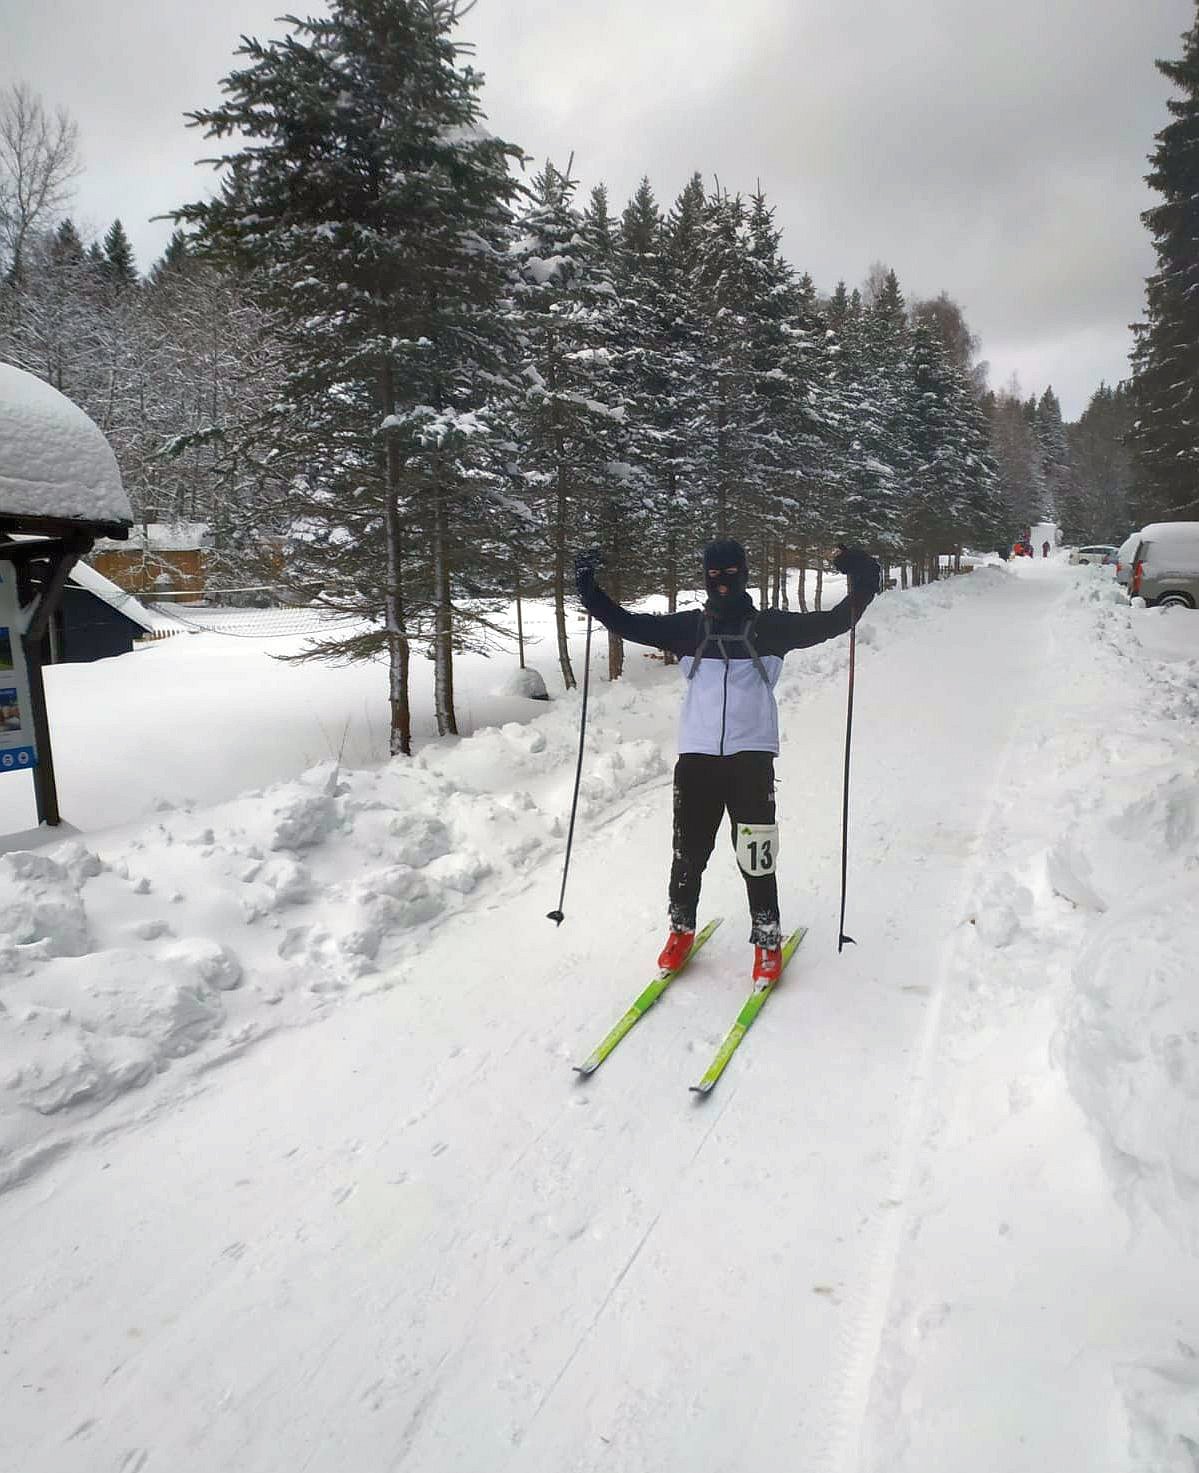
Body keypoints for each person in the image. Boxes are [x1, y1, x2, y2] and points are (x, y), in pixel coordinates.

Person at [575, 538, 881, 983]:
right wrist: (586, 585)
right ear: (705, 577)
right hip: (696, 758)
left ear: (745, 573)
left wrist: (864, 575)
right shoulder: (688, 628)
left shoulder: (771, 627)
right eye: (714, 575)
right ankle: (680, 930)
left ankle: (767, 937)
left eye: (731, 574)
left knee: (756, 855)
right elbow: (624, 621)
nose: (722, 583)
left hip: (750, 759)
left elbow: (837, 621)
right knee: (688, 853)